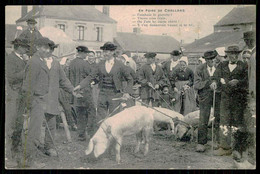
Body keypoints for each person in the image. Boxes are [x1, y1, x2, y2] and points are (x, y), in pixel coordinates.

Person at [21, 37, 78, 168]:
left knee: (51, 126)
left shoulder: (55, 63)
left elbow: (63, 80)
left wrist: (72, 90)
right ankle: (30, 159)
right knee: (34, 130)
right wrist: (29, 103)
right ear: (37, 48)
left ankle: (49, 147)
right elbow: (27, 86)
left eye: (50, 48)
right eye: (45, 47)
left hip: (51, 100)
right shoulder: (34, 62)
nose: (48, 50)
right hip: (38, 101)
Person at [75, 42, 133, 133]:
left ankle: (113, 138)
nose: (105, 54)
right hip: (102, 93)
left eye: (108, 52)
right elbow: (91, 76)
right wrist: (80, 86)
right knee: (100, 117)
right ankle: (101, 137)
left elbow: (130, 79)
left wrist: (127, 92)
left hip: (115, 94)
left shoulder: (120, 65)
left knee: (114, 118)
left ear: (113, 52)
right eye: (104, 51)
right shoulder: (100, 64)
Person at [213, 45, 248, 160]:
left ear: (238, 54)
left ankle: (237, 149)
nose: (233, 56)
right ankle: (225, 148)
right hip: (225, 98)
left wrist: (238, 82)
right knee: (224, 122)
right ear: (227, 55)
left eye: (236, 54)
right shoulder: (221, 65)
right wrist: (215, 82)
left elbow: (248, 80)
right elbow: (215, 77)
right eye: (231, 54)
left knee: (237, 123)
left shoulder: (244, 66)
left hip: (238, 99)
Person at [5, 38, 30, 167]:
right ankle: (9, 156)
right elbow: (11, 76)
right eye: (25, 47)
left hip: (21, 95)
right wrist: (25, 71)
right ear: (18, 47)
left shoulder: (21, 59)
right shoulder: (10, 59)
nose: (27, 49)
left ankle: (17, 153)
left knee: (19, 125)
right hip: (13, 96)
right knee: (11, 126)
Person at [68, 46, 96, 141]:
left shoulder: (71, 63)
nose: (87, 55)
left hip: (76, 92)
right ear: (82, 53)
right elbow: (92, 75)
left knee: (80, 114)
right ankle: (91, 133)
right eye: (86, 53)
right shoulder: (85, 64)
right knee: (91, 112)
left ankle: (81, 134)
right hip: (86, 92)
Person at [194, 50, 218, 152]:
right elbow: (197, 84)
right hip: (204, 96)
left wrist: (216, 83)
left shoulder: (219, 67)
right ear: (206, 60)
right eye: (209, 59)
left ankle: (217, 141)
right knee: (203, 118)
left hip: (217, 95)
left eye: (213, 59)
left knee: (218, 117)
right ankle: (201, 143)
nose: (211, 61)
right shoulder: (200, 69)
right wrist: (209, 83)